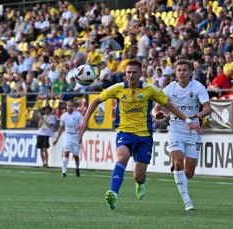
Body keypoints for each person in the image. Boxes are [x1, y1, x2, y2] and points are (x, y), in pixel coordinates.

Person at [78, 60, 202, 210]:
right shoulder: (117, 89)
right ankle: (114, 194)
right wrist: (85, 121)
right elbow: (96, 100)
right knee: (122, 157)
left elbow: (169, 105)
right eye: (128, 72)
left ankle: (140, 184)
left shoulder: (150, 90)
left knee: (139, 176)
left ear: (141, 74)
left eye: (134, 72)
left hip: (144, 136)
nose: (131, 75)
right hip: (125, 132)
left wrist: (188, 121)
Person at [152, 59, 212, 211]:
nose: (182, 73)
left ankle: (179, 170)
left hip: (193, 131)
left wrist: (198, 114)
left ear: (191, 72)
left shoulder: (198, 87)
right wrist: (157, 114)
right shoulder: (169, 89)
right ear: (175, 72)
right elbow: (155, 109)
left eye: (185, 70)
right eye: (179, 70)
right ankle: (187, 201)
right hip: (176, 130)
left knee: (189, 173)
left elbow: (208, 108)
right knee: (178, 160)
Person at [53, 100, 83, 177]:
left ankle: (77, 167)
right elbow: (61, 127)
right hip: (68, 135)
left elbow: (82, 127)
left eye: (71, 105)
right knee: (66, 152)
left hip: (76, 136)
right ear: (66, 106)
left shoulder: (78, 115)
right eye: (68, 105)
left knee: (76, 155)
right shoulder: (63, 116)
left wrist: (80, 136)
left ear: (73, 107)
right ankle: (64, 172)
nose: (69, 107)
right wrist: (57, 139)